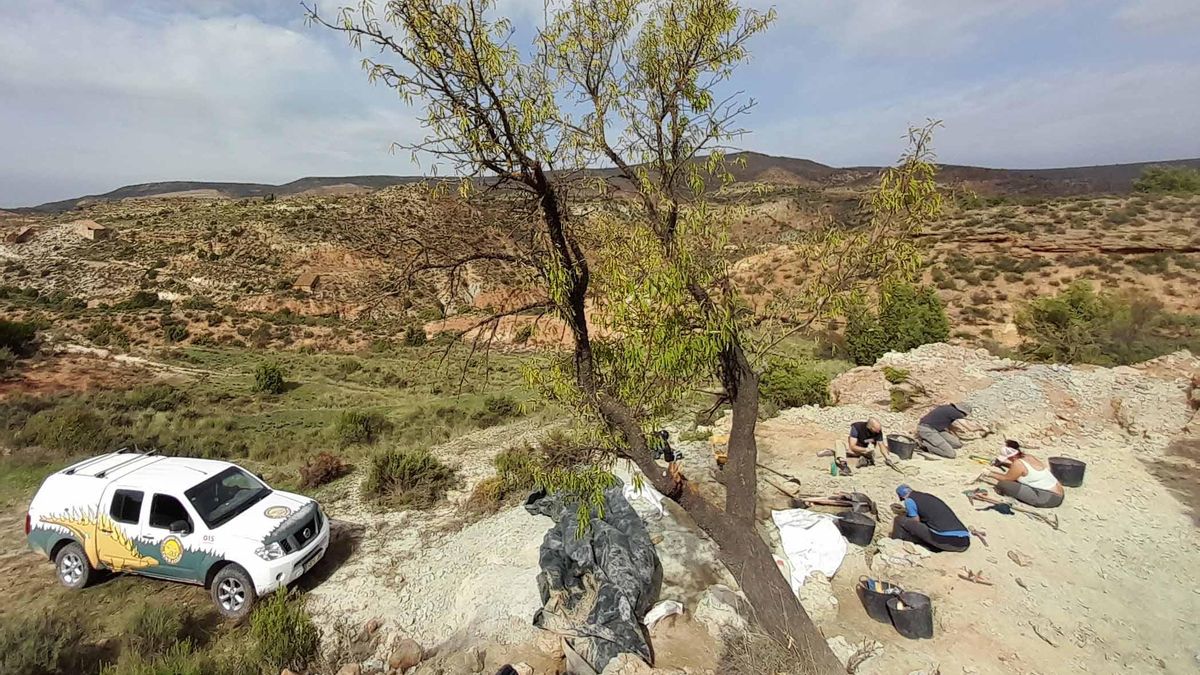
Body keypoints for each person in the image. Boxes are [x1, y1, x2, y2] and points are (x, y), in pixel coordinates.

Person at [977, 440, 1064, 508]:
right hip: (1057, 493)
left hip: (1046, 498)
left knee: (1003, 484)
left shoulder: (1018, 464)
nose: (1009, 460)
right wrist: (1003, 464)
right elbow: (1023, 470)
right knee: (1015, 480)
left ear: (1013, 456)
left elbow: (1006, 478)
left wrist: (988, 473)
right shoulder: (1028, 457)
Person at [892, 484, 970, 552]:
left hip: (948, 541)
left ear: (901, 497)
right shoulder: (926, 496)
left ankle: (895, 544)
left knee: (899, 520)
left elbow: (915, 521)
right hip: (964, 541)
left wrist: (904, 514)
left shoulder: (909, 501)